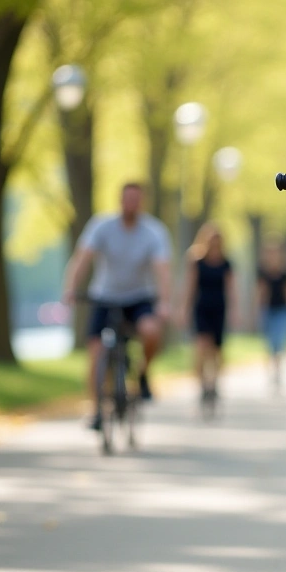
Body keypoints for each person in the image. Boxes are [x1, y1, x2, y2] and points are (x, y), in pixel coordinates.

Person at [62, 182, 172, 430]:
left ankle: (142, 375)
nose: (131, 204)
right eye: (127, 199)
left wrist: (164, 302)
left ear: (142, 203)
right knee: (96, 351)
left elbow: (162, 270)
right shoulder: (102, 226)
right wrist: (70, 289)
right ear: (120, 200)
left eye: (136, 200)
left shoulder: (154, 231)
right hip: (105, 296)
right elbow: (82, 258)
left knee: (151, 331)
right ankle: (97, 410)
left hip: (139, 296)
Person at [180, 223, 232, 407]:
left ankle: (214, 383)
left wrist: (236, 311)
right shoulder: (196, 261)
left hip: (219, 309)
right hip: (201, 308)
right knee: (201, 347)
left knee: (217, 351)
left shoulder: (226, 262)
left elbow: (231, 288)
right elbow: (190, 286)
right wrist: (184, 310)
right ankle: (202, 384)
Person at [256, 243, 286, 390]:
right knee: (270, 343)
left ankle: (278, 371)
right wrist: (256, 310)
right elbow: (260, 292)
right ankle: (272, 372)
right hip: (268, 310)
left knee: (280, 340)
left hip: (283, 310)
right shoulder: (262, 271)